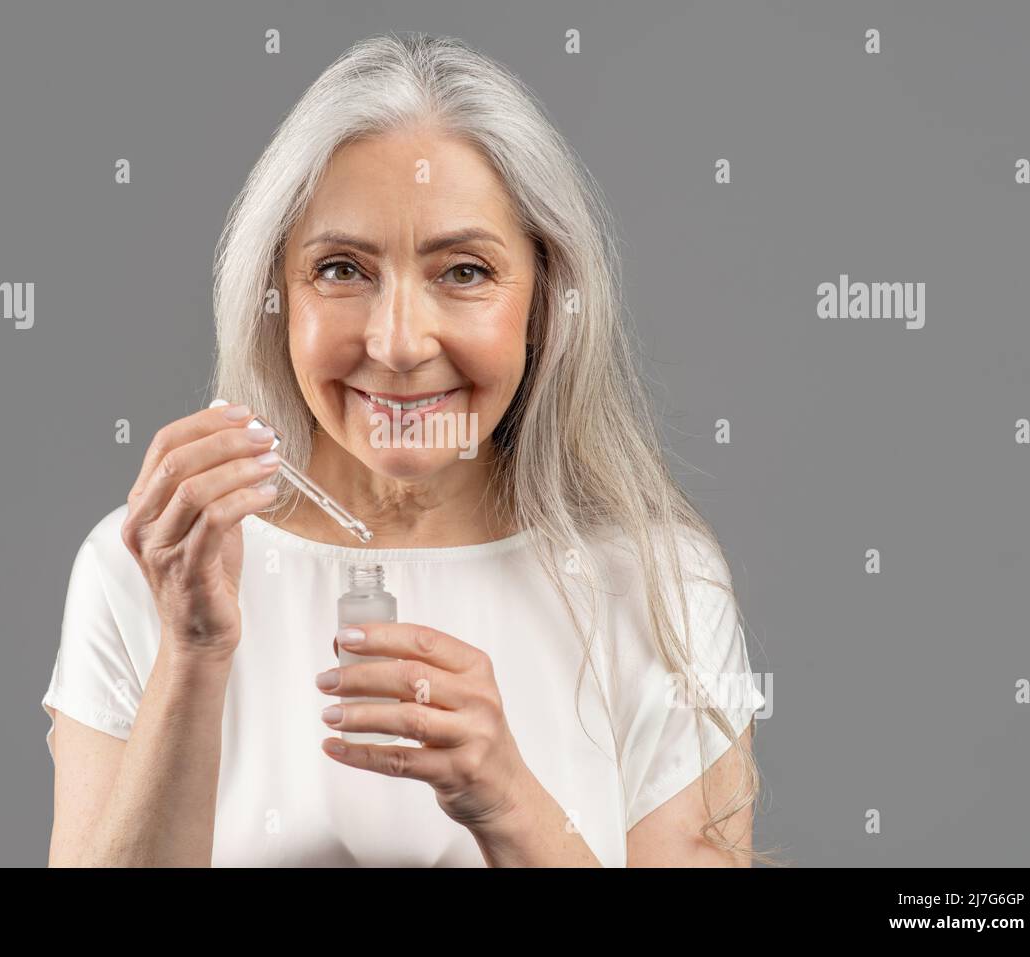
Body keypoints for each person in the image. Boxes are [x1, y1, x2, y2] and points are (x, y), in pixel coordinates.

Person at [41, 31, 768, 867]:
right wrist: (194, 652)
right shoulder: (144, 569)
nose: (396, 343)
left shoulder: (658, 585)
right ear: (276, 298)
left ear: (544, 303)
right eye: (343, 270)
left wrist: (510, 803)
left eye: (462, 272)